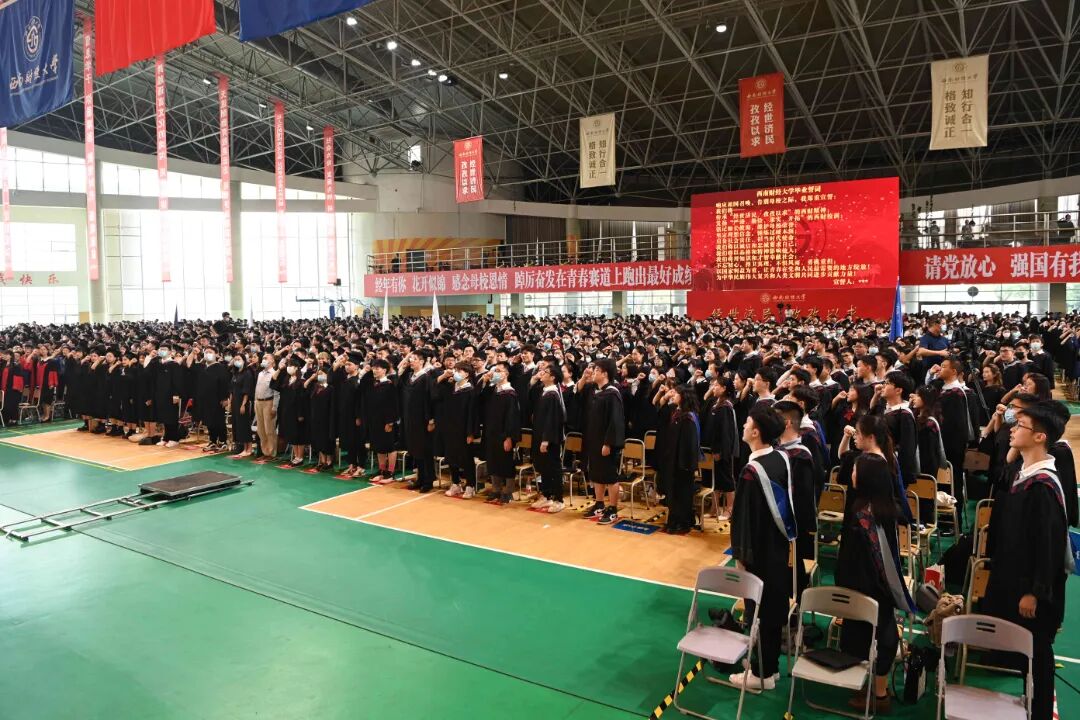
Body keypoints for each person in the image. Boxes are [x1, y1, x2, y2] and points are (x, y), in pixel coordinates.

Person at [985, 401, 1071, 720]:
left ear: (1039, 436)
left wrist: (1035, 591)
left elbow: (1047, 546)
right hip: (1013, 578)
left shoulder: (1044, 485)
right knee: (1023, 657)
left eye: (1019, 425)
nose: (1012, 430)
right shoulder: (1023, 474)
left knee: (1037, 658)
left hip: (1031, 593)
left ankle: (1041, 713)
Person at [836, 453, 916, 714]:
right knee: (885, 633)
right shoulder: (887, 510)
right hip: (882, 586)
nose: (852, 474)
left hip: (860, 588)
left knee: (859, 636)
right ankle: (880, 690)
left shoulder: (860, 516)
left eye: (855, 470)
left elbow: (849, 559)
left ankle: (868, 689)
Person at [728, 406, 795, 691]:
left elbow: (744, 518)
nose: (743, 426)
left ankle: (761, 675)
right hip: (778, 548)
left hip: (758, 553)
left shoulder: (752, 472)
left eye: (747, 423)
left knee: (760, 611)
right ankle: (770, 666)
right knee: (773, 608)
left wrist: (741, 556)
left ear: (756, 432)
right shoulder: (781, 458)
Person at [582, 358, 626, 525]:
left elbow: (615, 421)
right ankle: (599, 503)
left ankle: (613, 509)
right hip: (594, 439)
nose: (593, 373)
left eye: (596, 371)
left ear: (605, 373)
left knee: (609, 476)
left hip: (607, 442)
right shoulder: (597, 392)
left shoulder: (612, 393)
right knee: (596, 474)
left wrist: (608, 443)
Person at [660, 385, 701, 534]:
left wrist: (685, 463)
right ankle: (673, 520)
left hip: (683, 463)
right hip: (672, 460)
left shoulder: (689, 417)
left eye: (676, 394)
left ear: (684, 396)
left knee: (682, 493)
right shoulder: (676, 412)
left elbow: (690, 444)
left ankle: (683, 522)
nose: (674, 395)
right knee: (673, 492)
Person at [480, 361, 521, 505]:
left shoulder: (510, 393)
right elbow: (480, 399)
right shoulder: (493, 390)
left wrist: (509, 437)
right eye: (494, 370)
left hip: (504, 434)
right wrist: (485, 381)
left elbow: (512, 418)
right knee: (493, 461)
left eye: (498, 370)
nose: (495, 373)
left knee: (506, 463)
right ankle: (496, 489)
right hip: (491, 432)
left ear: (506, 374)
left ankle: (508, 491)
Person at [530, 363, 567, 513]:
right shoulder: (544, 391)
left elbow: (552, 420)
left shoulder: (553, 394)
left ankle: (559, 499)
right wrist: (534, 379)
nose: (542, 373)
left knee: (553, 468)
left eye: (545, 372)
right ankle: (546, 495)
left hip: (550, 438)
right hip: (539, 434)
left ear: (552, 377)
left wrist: (546, 440)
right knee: (543, 467)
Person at [441, 364, 480, 499]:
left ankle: (470, 486)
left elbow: (472, 414)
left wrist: (470, 433)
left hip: (463, 430)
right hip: (450, 428)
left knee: (466, 459)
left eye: (459, 371)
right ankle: (455, 483)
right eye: (455, 370)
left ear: (467, 374)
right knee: (451, 457)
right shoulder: (451, 388)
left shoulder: (470, 391)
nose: (456, 373)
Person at [400, 351, 437, 492]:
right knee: (416, 450)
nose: (411, 361)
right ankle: (420, 478)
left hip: (423, 420)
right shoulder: (409, 377)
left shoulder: (426, 378)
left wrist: (431, 420)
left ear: (422, 361)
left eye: (414, 359)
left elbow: (431, 400)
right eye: (411, 359)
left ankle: (428, 480)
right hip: (411, 419)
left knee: (425, 451)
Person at [366, 358, 400, 483]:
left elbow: (393, 405)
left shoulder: (390, 385)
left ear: (384, 370)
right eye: (373, 368)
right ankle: (381, 470)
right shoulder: (373, 384)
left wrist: (390, 422)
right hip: (375, 420)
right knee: (378, 446)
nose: (375, 370)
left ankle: (390, 472)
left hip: (387, 421)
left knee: (389, 446)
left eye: (377, 368)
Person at [192, 347, 230, 452]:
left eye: (210, 352)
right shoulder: (203, 367)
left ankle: (223, 441)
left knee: (218, 420)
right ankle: (212, 441)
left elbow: (224, 383)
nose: (208, 354)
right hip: (205, 399)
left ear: (216, 354)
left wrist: (225, 398)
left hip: (217, 399)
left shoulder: (220, 367)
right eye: (206, 352)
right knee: (209, 421)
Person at [229, 352, 256, 458]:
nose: (237, 361)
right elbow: (231, 390)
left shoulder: (247, 374)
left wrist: (243, 404)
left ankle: (248, 449)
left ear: (244, 361)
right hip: (235, 402)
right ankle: (243, 447)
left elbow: (247, 391)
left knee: (244, 425)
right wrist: (230, 402)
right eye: (235, 359)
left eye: (239, 359)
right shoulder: (235, 373)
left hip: (242, 402)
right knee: (237, 425)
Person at [253, 353, 280, 459]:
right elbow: (257, 389)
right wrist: (255, 402)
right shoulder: (260, 373)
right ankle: (265, 452)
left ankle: (271, 453)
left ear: (272, 361)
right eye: (263, 358)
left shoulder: (274, 373)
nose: (263, 359)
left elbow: (276, 392)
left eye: (266, 358)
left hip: (269, 402)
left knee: (269, 429)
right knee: (261, 430)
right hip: (258, 402)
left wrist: (274, 407)